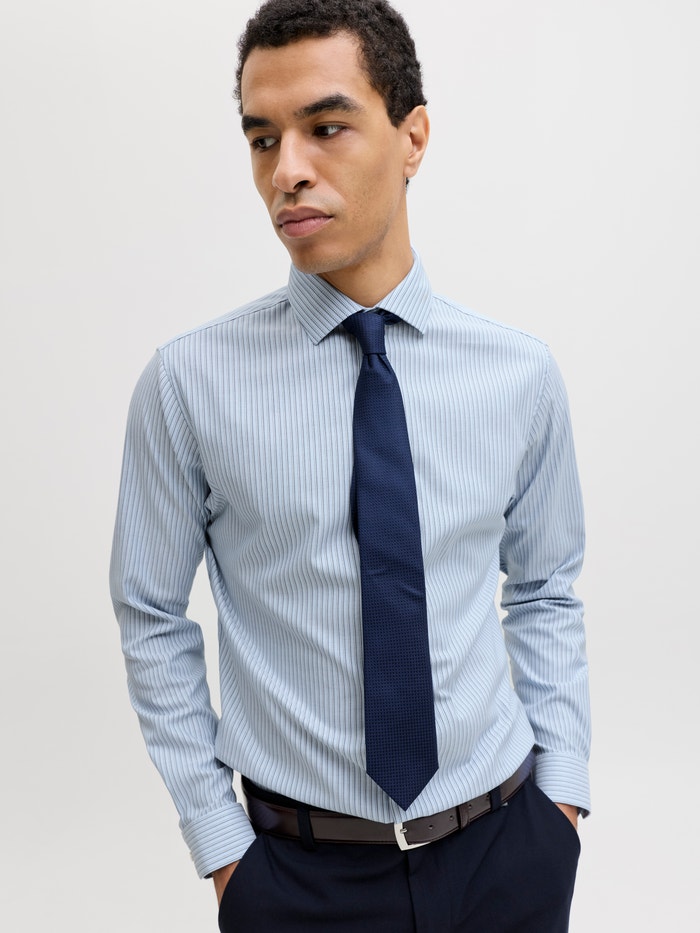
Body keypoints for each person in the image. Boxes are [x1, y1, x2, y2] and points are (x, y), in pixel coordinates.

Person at [110, 1, 591, 930]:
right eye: (262, 139)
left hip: (506, 855)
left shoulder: (519, 373)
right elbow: (150, 613)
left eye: (325, 128)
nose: (286, 170)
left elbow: (545, 589)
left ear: (413, 138)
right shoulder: (188, 383)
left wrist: (560, 804)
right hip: (297, 881)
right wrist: (223, 848)